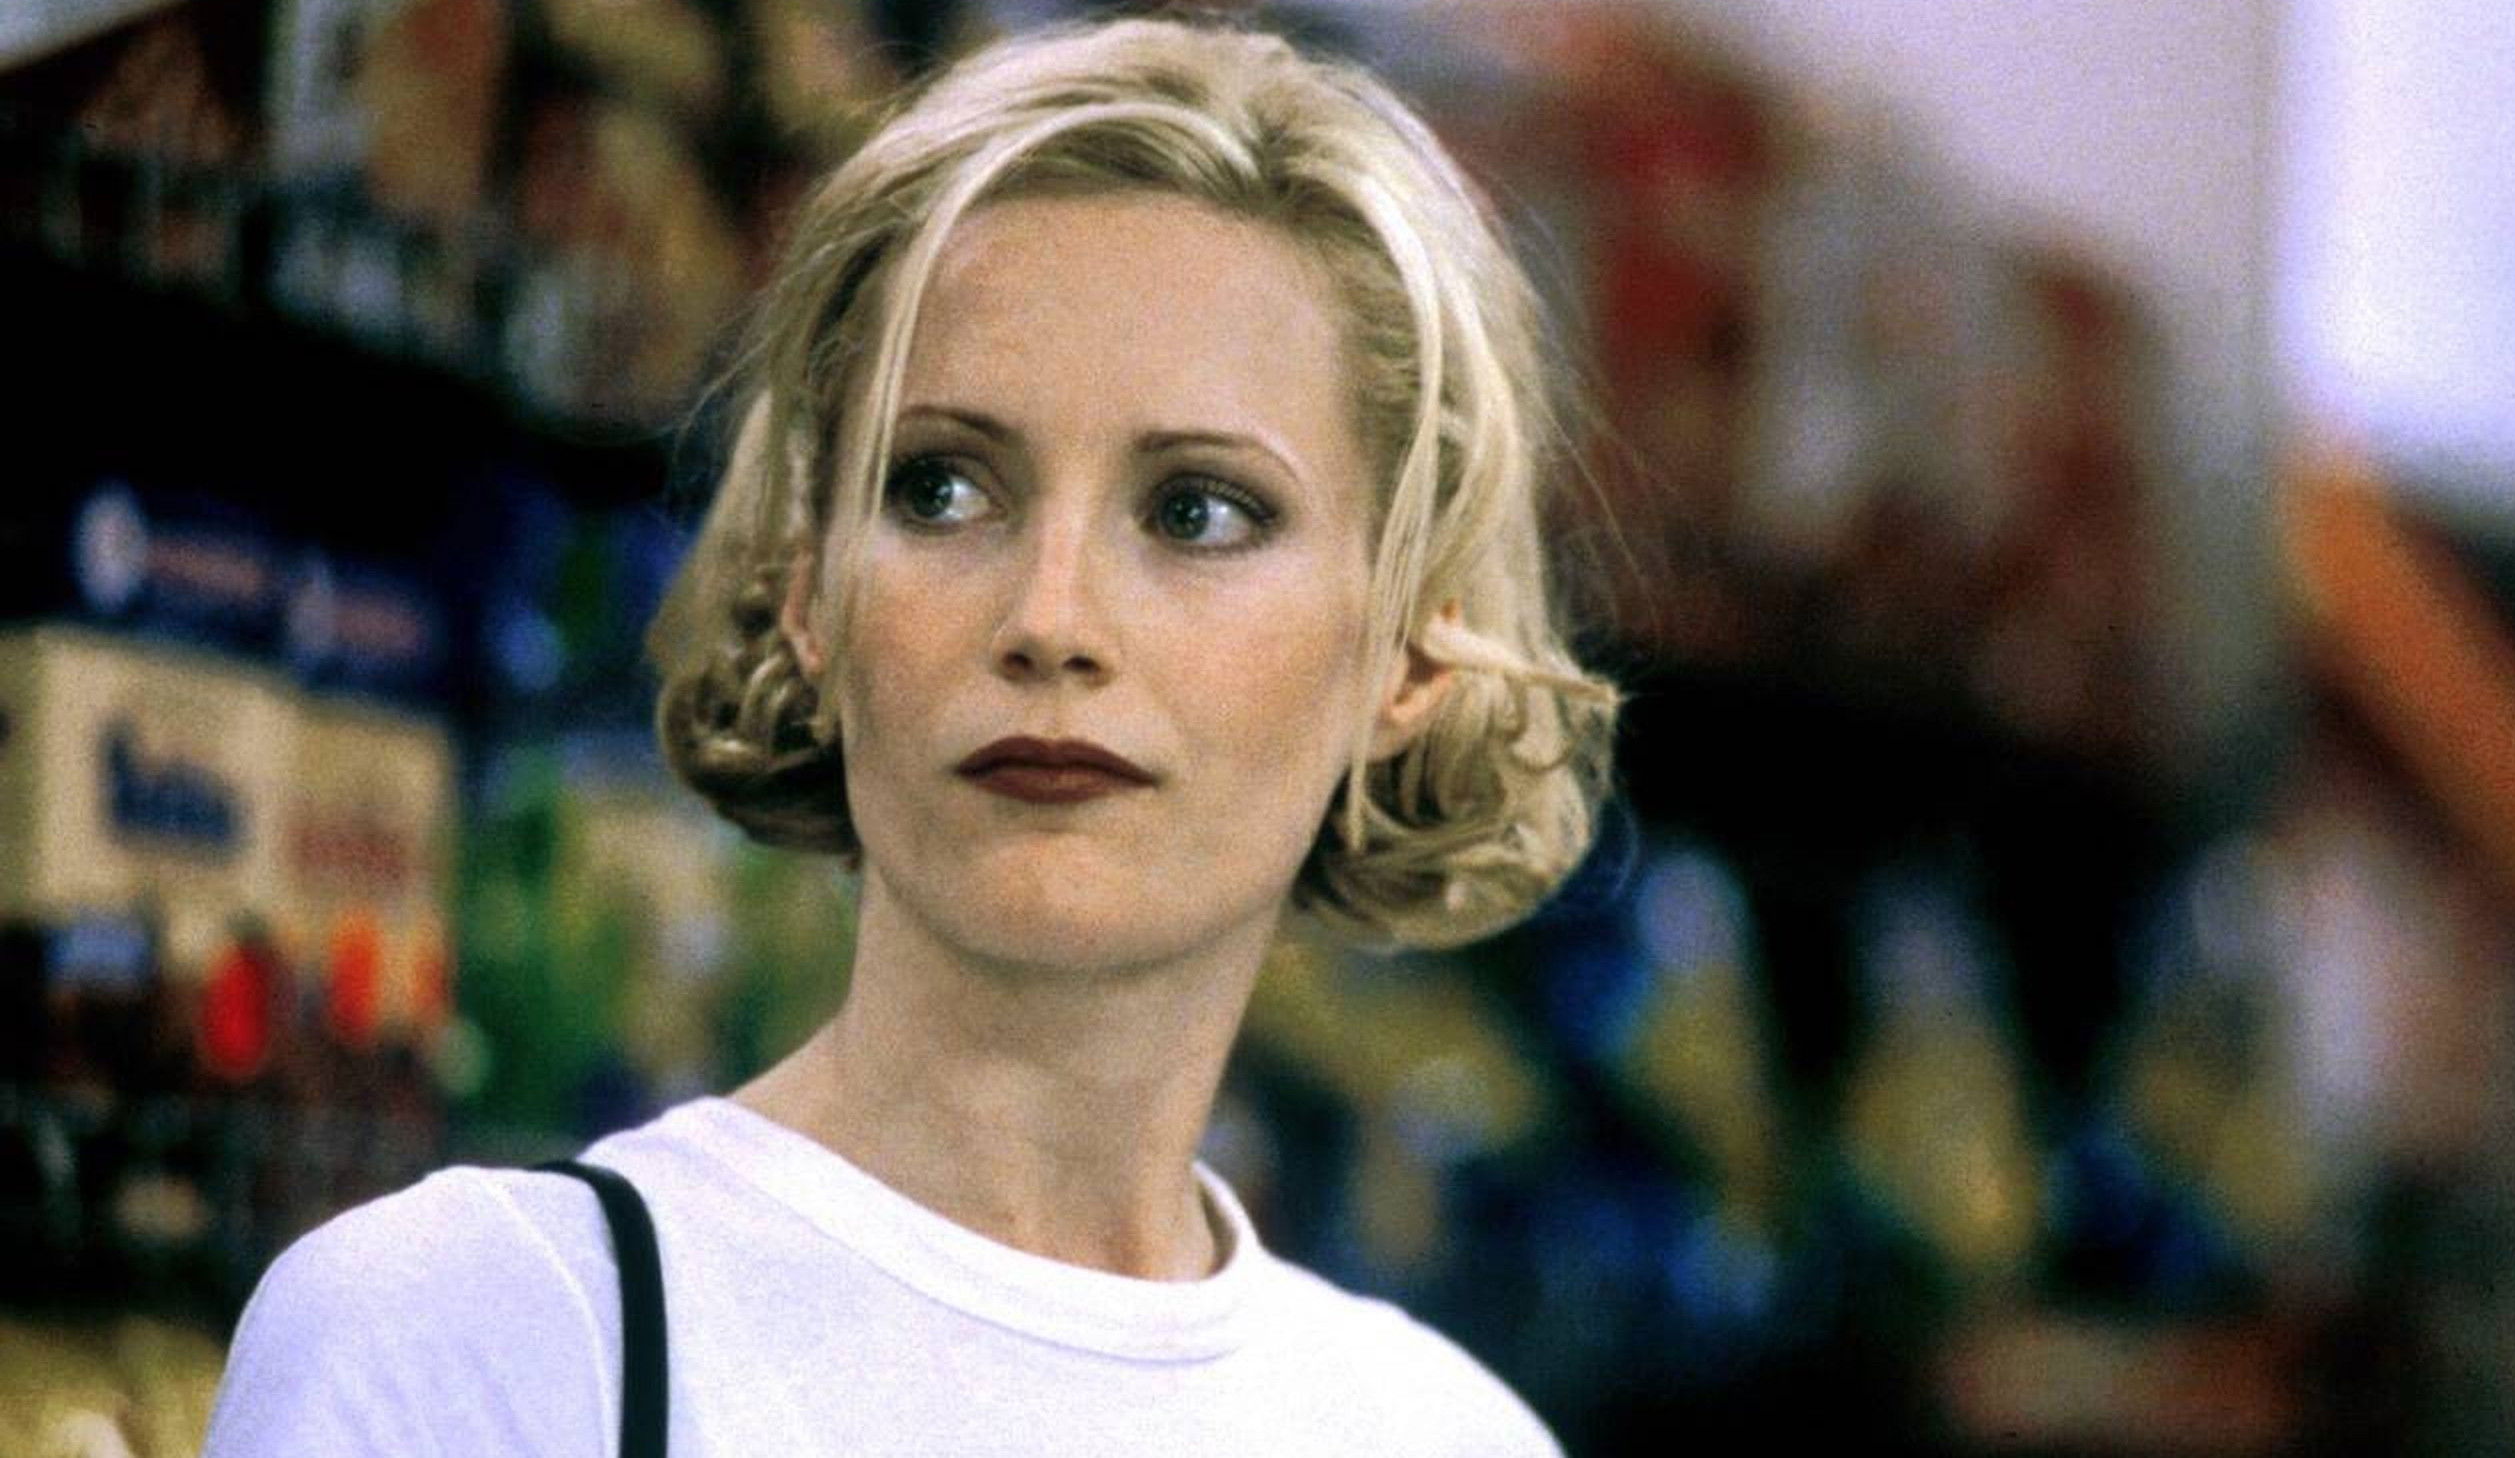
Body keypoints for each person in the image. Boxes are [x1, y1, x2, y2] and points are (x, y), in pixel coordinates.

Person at [204, 14, 1618, 1454]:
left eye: (1199, 511)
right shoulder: (481, 1335)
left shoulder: (1453, 1436)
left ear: (1407, 655)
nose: (1050, 616)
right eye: (942, 488)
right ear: (807, 588)